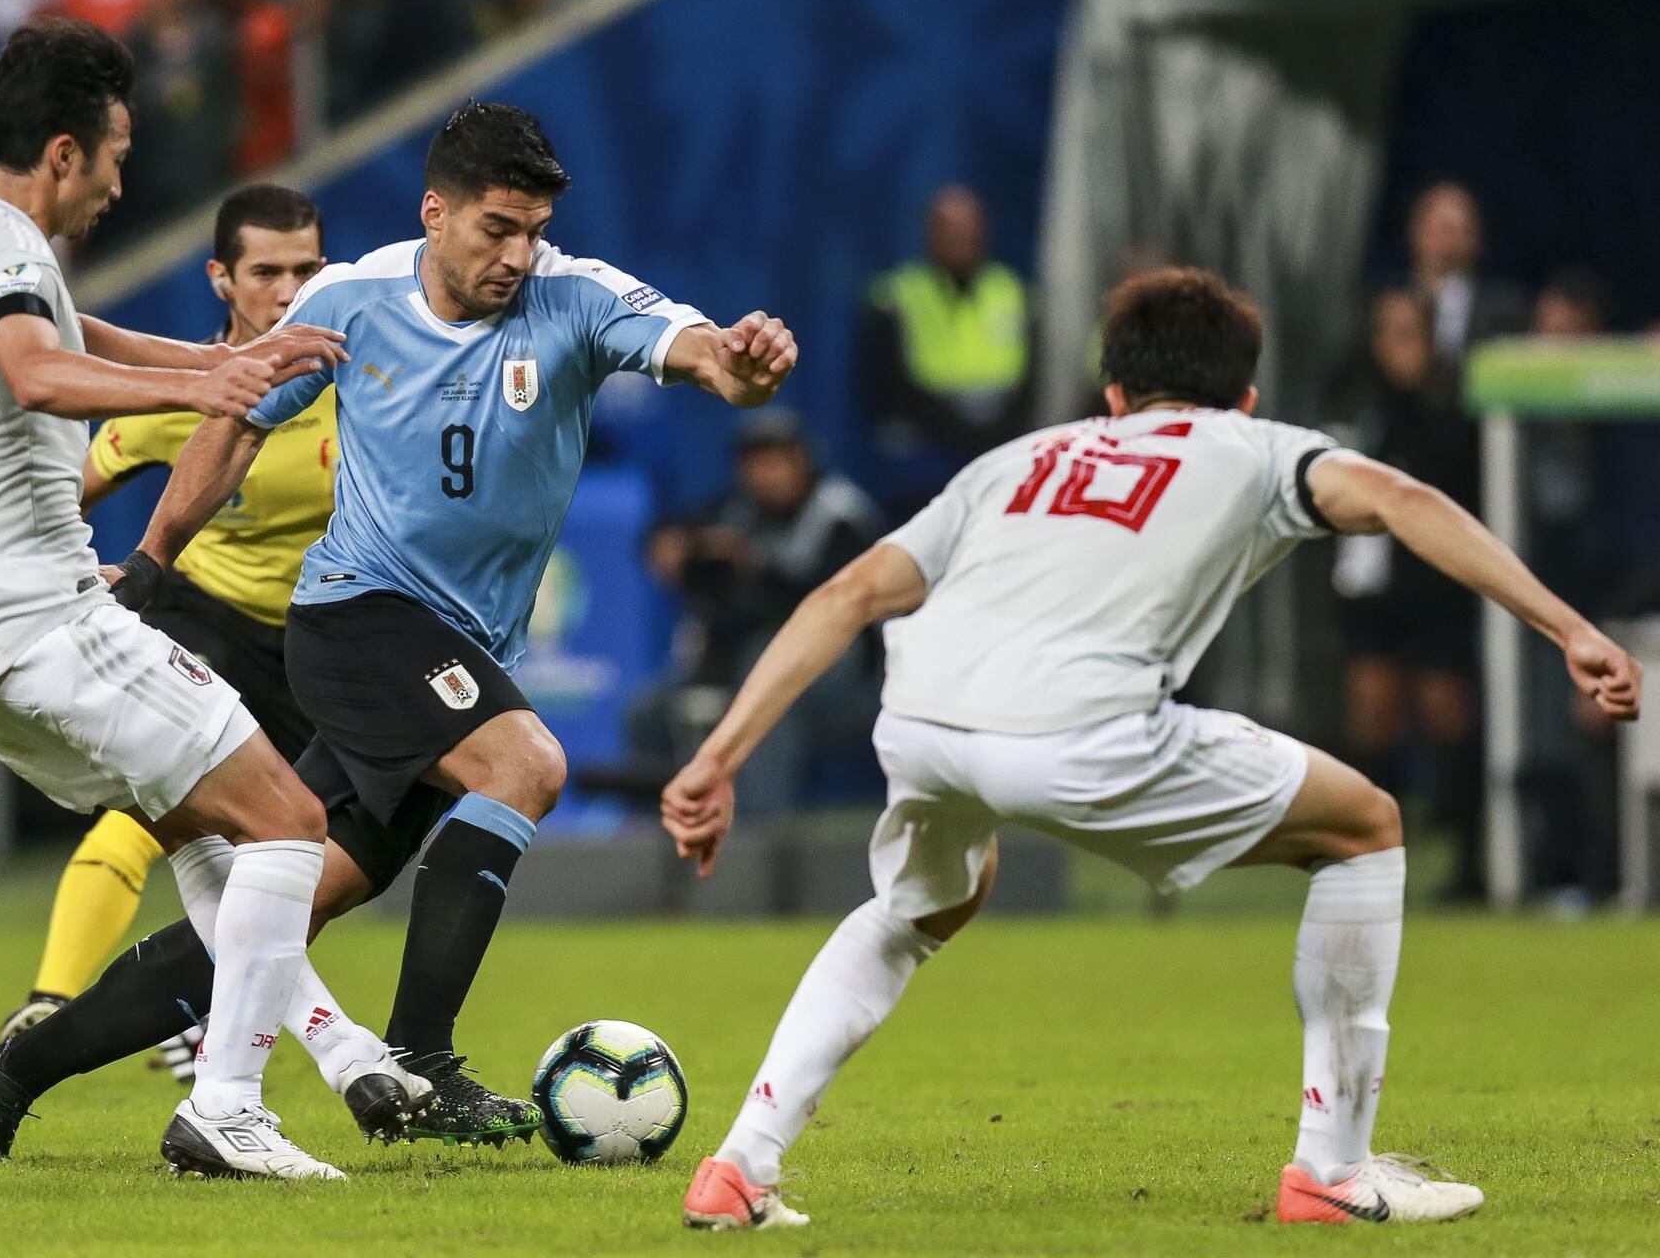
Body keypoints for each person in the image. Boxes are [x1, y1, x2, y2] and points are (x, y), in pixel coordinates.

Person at [664, 267, 1641, 1231]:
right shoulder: (1257, 446)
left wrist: (718, 753)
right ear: (1246, 393)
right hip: (1082, 730)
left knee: (921, 903)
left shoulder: (1016, 458)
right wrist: (1569, 629)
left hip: (924, 720)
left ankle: (739, 1164)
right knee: (1366, 826)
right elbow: (1400, 499)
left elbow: (847, 597)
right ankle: (1333, 1169)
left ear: (1114, 392)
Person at [90, 99, 796, 1142]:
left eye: (533, 230)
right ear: (436, 212)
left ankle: (14, 1070)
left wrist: (739, 364)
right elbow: (238, 422)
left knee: (291, 899)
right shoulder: (351, 298)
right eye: (495, 229)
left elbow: (697, 351)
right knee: (528, 765)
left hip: (462, 645)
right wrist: (151, 564)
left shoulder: (575, 296)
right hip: (357, 615)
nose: (519, 253)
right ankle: (421, 1060)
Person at [0, 19, 420, 1182]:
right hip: (44, 618)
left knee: (212, 834)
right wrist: (201, 382)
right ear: (61, 152)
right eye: (115, 153)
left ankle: (342, 1056)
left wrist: (215, 368)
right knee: (293, 820)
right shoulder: (10, 254)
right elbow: (40, 370)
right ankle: (225, 1104)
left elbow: (77, 337)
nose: (121, 179)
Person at [0, 183, 334, 1082]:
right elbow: (63, 497)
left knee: (286, 861)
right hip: (205, 622)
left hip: (316, 649)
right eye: (268, 270)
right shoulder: (185, 393)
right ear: (223, 279)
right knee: (149, 813)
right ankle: (51, 1001)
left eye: (308, 268)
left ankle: (201, 1021)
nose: (290, 289)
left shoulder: (355, 375)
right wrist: (64, 575)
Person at [628, 408, 880, 813]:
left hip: (839, 681)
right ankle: (660, 840)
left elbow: (828, 603)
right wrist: (673, 546)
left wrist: (757, 563)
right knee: (649, 713)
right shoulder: (738, 509)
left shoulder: (840, 516)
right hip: (740, 672)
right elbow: (670, 536)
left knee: (768, 706)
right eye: (755, 463)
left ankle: (760, 852)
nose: (766, 474)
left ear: (803, 460)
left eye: (777, 460)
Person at [1327, 290, 1484, 901]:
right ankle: (1373, 859)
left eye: (1410, 331)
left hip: (1435, 585)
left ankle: (1471, 862)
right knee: (1373, 712)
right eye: (1388, 331)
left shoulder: (1450, 411)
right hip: (1373, 589)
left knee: (1448, 710)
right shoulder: (1359, 407)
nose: (1401, 345)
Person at [858, 185, 1030, 518]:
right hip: (929, 448)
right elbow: (879, 383)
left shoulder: (1013, 291)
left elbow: (1035, 374)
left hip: (1001, 438)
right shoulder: (895, 296)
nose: (960, 238)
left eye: (969, 228)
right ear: (929, 233)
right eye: (950, 228)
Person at [1403, 181, 1528, 361]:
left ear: (1477, 240)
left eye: (1464, 231)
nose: (1452, 242)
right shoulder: (1383, 300)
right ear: (1417, 232)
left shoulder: (1507, 308)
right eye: (1445, 229)